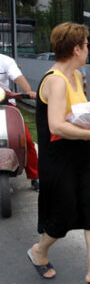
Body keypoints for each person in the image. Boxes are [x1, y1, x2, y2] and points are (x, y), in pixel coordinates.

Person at [27, 22, 90, 284]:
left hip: (81, 152)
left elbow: (76, 115)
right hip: (58, 157)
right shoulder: (55, 81)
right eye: (87, 44)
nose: (89, 49)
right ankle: (39, 250)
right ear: (75, 48)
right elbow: (57, 125)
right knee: (62, 214)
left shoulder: (76, 77)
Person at [0, 53, 39, 191]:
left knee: (25, 139)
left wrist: (28, 91)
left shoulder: (6, 61)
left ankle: (35, 176)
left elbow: (18, 77)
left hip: (5, 102)